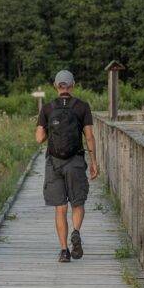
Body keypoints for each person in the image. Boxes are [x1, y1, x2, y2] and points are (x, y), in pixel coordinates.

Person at [36, 69, 99, 262]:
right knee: (77, 203)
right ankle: (77, 231)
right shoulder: (82, 107)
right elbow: (89, 136)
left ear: (56, 86)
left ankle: (64, 251)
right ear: (72, 85)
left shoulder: (47, 108)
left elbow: (39, 139)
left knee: (60, 208)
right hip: (76, 161)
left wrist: (49, 131)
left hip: (54, 163)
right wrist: (94, 161)